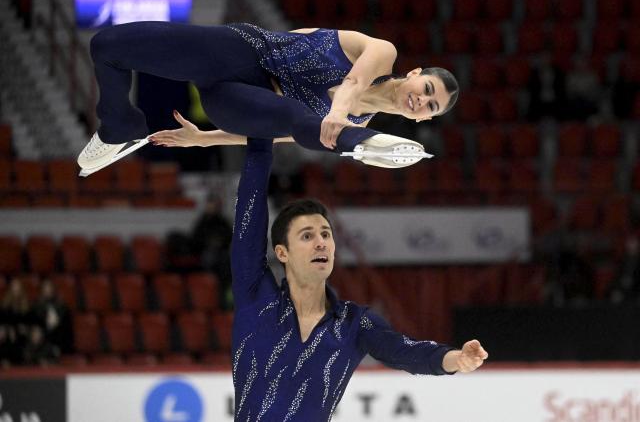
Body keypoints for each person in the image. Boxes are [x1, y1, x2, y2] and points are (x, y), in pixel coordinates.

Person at [226, 137, 487, 420]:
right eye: (307, 236)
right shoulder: (257, 300)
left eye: (326, 234)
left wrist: (455, 360)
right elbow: (247, 224)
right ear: (282, 252)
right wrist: (261, 140)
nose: (321, 243)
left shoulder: (353, 324)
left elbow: (405, 352)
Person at [77, 22, 458, 175]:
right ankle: (119, 127)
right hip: (241, 51)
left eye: (431, 108)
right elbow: (356, 81)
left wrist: (203, 139)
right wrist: (338, 112)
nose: (421, 102)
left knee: (298, 119)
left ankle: (358, 145)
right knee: (106, 46)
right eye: (426, 90)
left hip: (235, 103)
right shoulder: (382, 51)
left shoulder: (345, 120)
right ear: (414, 74)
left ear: (424, 121)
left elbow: (269, 134)